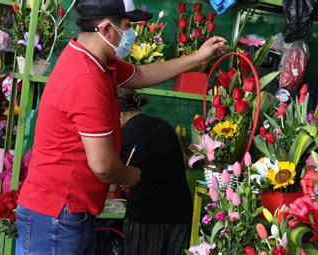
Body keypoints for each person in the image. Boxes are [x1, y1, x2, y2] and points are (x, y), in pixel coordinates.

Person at [15, 0, 225, 253]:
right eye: (126, 26)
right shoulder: (86, 78)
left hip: (67, 210)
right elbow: (103, 166)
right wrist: (131, 176)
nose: (132, 34)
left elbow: (141, 75)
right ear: (105, 30)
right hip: (57, 214)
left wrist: (196, 58)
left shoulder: (97, 61)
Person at [118, 88, 193, 255]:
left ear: (118, 115)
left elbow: (112, 183)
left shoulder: (123, 134)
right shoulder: (163, 125)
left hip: (147, 215)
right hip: (181, 213)